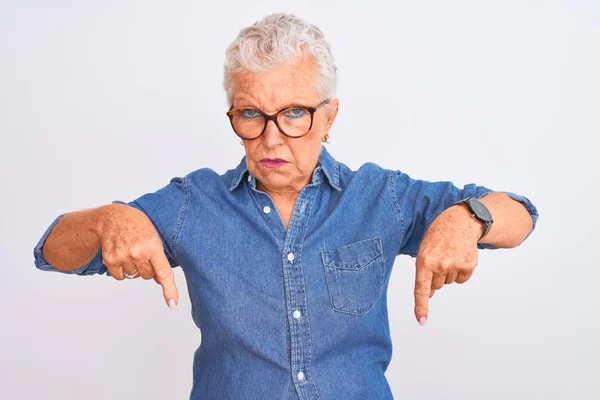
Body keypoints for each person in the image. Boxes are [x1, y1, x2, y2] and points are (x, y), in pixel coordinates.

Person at [33, 13, 539, 400]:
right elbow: (50, 250)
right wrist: (109, 219)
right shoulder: (194, 203)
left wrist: (468, 217)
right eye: (252, 114)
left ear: (328, 116)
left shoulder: (381, 196)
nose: (271, 138)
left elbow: (521, 214)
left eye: (294, 113)